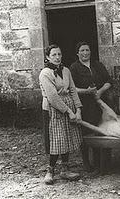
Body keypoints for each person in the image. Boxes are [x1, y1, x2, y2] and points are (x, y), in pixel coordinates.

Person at [39, 44, 83, 185]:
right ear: (47, 57)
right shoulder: (45, 73)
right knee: (56, 140)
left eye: (59, 54)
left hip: (68, 107)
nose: (57, 57)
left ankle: (65, 169)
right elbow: (53, 97)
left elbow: (72, 90)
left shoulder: (66, 71)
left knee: (67, 137)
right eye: (54, 55)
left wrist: (78, 109)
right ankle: (50, 170)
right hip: (53, 110)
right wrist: (69, 112)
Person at [70, 42, 112, 171]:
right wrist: (86, 91)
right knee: (86, 131)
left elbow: (109, 81)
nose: (85, 53)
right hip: (85, 104)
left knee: (101, 129)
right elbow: (71, 88)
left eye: (87, 50)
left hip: (100, 102)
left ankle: (101, 163)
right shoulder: (74, 68)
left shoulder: (97, 65)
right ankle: (87, 162)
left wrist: (100, 91)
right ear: (77, 53)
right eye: (82, 50)